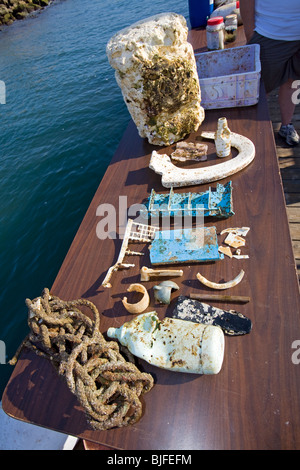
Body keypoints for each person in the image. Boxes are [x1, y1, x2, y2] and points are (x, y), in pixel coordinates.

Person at [240, 0, 300, 146]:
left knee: (294, 82)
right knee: (260, 89)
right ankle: (255, 134)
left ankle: (286, 125)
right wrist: (250, 33)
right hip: (268, 33)